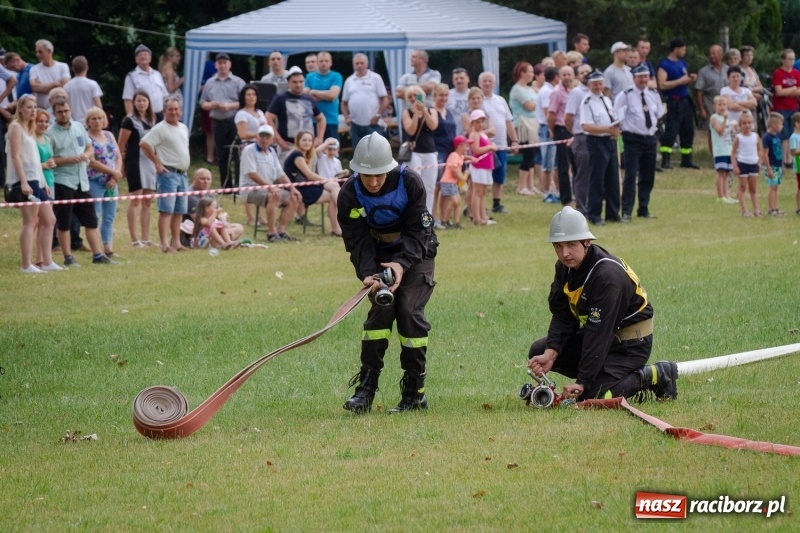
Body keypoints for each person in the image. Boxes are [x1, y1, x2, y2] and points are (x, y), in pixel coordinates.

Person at [527, 206, 677, 402]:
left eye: (571, 244)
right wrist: (551, 352)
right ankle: (604, 378)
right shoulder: (566, 268)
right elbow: (563, 315)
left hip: (630, 345)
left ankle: (654, 374)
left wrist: (583, 382)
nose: (565, 253)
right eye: (558, 246)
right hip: (601, 337)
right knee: (539, 350)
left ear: (587, 241)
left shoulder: (607, 278)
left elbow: (599, 334)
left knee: (590, 398)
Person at [338, 132, 438, 414]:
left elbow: (420, 230)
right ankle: (365, 390)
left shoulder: (410, 182)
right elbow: (356, 238)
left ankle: (414, 393)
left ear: (389, 167)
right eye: (366, 176)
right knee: (381, 313)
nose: (372, 182)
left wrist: (401, 264)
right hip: (378, 257)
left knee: (408, 311)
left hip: (416, 253)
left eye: (379, 175)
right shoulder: (349, 194)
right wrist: (368, 273)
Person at [48, 98, 113, 266]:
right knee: (65, 222)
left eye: (66, 111)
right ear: (54, 114)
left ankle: (98, 255)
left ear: (71, 111)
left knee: (91, 220)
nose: (64, 114)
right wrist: (67, 160)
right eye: (60, 112)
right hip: (63, 181)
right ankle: (68, 257)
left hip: (82, 181)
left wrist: (87, 155)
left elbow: (89, 147)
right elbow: (49, 160)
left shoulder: (78, 127)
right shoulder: (50, 133)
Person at [5, 94, 59, 273]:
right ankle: (26, 264)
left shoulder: (30, 128)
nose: (32, 111)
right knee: (30, 221)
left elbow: (34, 159)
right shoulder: (15, 127)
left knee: (49, 219)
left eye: (34, 107)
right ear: (20, 108)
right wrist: (23, 182)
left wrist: (43, 181)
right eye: (29, 107)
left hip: (36, 178)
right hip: (26, 178)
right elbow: (15, 156)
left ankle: (47, 261)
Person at [140, 96, 191, 252]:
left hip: (183, 174)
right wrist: (157, 163)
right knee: (166, 211)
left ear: (180, 111)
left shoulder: (183, 127)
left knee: (179, 211)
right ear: (164, 111)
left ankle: (176, 242)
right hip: (168, 174)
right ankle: (164, 244)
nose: (173, 112)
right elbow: (144, 143)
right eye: (170, 109)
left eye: (176, 109)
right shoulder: (160, 128)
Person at [614, 64, 664, 221]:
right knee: (630, 175)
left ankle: (644, 208)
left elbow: (659, 115)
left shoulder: (654, 94)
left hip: (649, 138)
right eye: (640, 77)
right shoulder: (625, 95)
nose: (643, 80)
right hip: (632, 139)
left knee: (648, 176)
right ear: (634, 78)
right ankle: (627, 210)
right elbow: (617, 116)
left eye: (645, 77)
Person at [239, 125, 300, 242]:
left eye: (267, 137)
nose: (264, 139)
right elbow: (252, 173)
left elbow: (280, 174)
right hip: (250, 189)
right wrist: (271, 187)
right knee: (274, 195)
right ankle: (271, 233)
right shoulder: (249, 150)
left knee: (294, 198)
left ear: (272, 139)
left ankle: (281, 231)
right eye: (261, 136)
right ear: (256, 137)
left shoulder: (272, 152)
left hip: (267, 189)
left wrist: (293, 189)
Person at [581, 70, 621, 225]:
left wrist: (615, 129)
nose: (598, 87)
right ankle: (594, 214)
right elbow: (586, 126)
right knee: (597, 179)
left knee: (613, 177)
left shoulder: (606, 99)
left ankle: (612, 212)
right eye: (595, 84)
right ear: (589, 85)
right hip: (596, 142)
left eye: (600, 83)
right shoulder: (587, 102)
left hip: (610, 140)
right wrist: (608, 130)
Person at [283, 130, 342, 236]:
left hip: (306, 185)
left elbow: (310, 175)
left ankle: (337, 228)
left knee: (334, 187)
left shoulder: (306, 155)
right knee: (332, 192)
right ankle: (342, 215)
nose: (307, 142)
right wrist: (328, 179)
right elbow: (310, 175)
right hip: (298, 189)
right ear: (298, 141)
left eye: (310, 140)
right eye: (304, 140)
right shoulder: (297, 155)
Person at [200, 53, 245, 189]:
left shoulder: (238, 82)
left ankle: (238, 185)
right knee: (221, 155)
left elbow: (245, 102)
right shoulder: (210, 82)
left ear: (229, 64)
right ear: (216, 65)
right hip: (217, 121)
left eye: (225, 62)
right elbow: (202, 102)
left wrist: (229, 106)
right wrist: (209, 105)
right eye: (219, 63)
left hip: (234, 121)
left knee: (237, 154)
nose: (222, 65)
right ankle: (226, 186)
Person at [118, 90, 157, 248]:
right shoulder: (129, 121)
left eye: (144, 100)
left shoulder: (154, 119)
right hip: (135, 161)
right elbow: (121, 145)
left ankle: (146, 238)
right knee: (135, 200)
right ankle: (134, 239)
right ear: (134, 103)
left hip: (151, 163)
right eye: (139, 101)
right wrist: (122, 166)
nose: (142, 103)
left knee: (148, 201)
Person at [478, 72, 519, 214]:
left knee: (499, 176)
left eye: (490, 81)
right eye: (484, 81)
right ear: (480, 83)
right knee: (482, 177)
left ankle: (497, 203)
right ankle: (479, 205)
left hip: (501, 145)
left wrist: (514, 140)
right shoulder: (477, 101)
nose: (487, 84)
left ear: (494, 84)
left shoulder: (501, 100)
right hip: (483, 147)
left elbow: (509, 121)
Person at [85, 106, 122, 258]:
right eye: (93, 118)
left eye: (99, 118)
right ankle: (97, 249)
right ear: (88, 121)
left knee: (109, 215)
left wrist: (115, 176)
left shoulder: (109, 135)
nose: (97, 121)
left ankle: (108, 247)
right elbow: (91, 162)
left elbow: (118, 156)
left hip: (112, 182)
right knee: (96, 215)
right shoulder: (87, 138)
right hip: (95, 180)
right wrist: (113, 172)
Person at [657, 38, 698, 170]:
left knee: (688, 130)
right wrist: (680, 81)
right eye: (683, 49)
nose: (685, 51)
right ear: (676, 49)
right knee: (672, 129)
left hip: (685, 99)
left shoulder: (683, 63)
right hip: (673, 101)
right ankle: (666, 159)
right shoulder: (664, 65)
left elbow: (684, 79)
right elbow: (662, 84)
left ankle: (686, 159)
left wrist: (690, 79)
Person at [267, 68, 325, 158]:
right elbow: (268, 117)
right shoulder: (280, 98)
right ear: (288, 82)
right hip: (288, 146)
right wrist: (278, 139)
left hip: (308, 146)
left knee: (309, 171)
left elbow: (321, 119)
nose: (298, 85)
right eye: (295, 82)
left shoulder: (309, 99)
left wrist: (319, 138)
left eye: (301, 82)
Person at [401, 84, 439, 216]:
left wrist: (424, 111)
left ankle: (427, 214)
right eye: (410, 96)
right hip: (414, 152)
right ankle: (414, 214)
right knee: (415, 184)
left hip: (429, 151)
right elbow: (410, 130)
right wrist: (416, 114)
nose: (413, 98)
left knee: (429, 185)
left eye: (415, 95)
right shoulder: (407, 112)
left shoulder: (431, 110)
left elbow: (433, 125)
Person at [341, 53, 389, 149]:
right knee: (358, 153)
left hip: (373, 123)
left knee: (376, 152)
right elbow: (343, 103)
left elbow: (384, 99)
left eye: (361, 63)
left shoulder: (376, 78)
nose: (359, 65)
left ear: (367, 64)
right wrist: (346, 117)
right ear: (353, 64)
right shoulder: (349, 80)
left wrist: (378, 115)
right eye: (357, 63)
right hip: (355, 124)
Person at [565, 63, 593, 215]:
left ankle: (592, 204)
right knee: (582, 174)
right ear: (577, 76)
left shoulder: (596, 91)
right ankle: (582, 208)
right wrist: (576, 133)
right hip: (582, 136)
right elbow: (568, 117)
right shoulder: (576, 93)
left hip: (595, 137)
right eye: (582, 72)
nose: (585, 74)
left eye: (588, 71)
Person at [187, 167, 244, 241]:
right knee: (215, 229)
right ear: (194, 180)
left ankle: (225, 239)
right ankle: (224, 240)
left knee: (239, 227)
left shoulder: (209, 193)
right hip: (199, 228)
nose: (206, 182)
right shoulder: (190, 196)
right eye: (202, 179)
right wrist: (218, 220)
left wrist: (226, 222)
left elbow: (219, 213)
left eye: (208, 179)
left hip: (215, 225)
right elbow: (199, 222)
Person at [509, 61, 540, 196]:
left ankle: (530, 185)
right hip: (523, 123)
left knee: (532, 154)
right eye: (530, 71)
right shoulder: (517, 89)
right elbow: (529, 106)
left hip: (533, 122)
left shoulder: (530, 89)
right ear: (523, 73)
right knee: (528, 154)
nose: (532, 74)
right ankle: (521, 186)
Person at [549, 65, 575, 206]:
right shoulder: (557, 92)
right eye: (564, 74)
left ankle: (577, 193)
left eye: (569, 74)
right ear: (559, 77)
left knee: (575, 164)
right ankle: (566, 198)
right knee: (563, 166)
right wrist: (554, 132)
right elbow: (551, 115)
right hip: (561, 130)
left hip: (572, 130)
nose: (567, 77)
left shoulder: (573, 92)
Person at [467, 109, 498, 226]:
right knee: (477, 191)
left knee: (483, 192)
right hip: (478, 166)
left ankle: (483, 216)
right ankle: (477, 217)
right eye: (477, 122)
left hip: (486, 166)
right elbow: (476, 150)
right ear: (472, 123)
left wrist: (491, 146)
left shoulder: (483, 133)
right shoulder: (474, 134)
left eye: (482, 122)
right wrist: (490, 148)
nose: (480, 125)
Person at [431, 83, 456, 224]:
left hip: (449, 152)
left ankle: (444, 217)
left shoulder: (449, 112)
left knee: (446, 184)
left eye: (446, 95)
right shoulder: (432, 111)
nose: (444, 98)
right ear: (435, 96)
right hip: (437, 151)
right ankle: (433, 216)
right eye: (441, 95)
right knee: (436, 186)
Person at [303, 51, 343, 141]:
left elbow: (333, 95)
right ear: (317, 62)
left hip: (331, 120)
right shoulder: (309, 77)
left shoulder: (336, 76)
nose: (324, 63)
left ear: (331, 62)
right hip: (313, 120)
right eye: (321, 61)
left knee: (331, 148)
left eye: (326, 61)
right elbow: (306, 98)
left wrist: (313, 91)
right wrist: (326, 95)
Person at [771, 49, 800, 168]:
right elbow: (778, 92)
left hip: (793, 106)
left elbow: (798, 91)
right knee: (784, 134)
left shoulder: (797, 73)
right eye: (789, 59)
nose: (791, 61)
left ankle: (791, 158)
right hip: (781, 107)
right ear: (783, 60)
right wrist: (792, 90)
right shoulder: (778, 73)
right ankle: (783, 159)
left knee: (793, 133)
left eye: (793, 59)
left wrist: (790, 91)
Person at [123, 44, 168, 117]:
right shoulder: (131, 76)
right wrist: (132, 119)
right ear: (136, 60)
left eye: (145, 54)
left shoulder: (157, 74)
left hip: (160, 115)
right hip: (142, 115)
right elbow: (128, 100)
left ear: (150, 58)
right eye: (140, 55)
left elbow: (165, 96)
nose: (143, 56)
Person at [731, 112, 762, 217]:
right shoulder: (738, 138)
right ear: (740, 125)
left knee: (753, 188)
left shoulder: (755, 136)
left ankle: (757, 209)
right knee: (742, 187)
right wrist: (735, 165)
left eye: (749, 123)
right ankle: (744, 209)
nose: (747, 125)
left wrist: (759, 162)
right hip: (742, 163)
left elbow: (759, 149)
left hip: (753, 163)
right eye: (744, 123)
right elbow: (733, 152)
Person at [439, 135, 472, 228]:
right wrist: (463, 176)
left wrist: (471, 158)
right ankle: (445, 220)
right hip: (447, 182)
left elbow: (463, 157)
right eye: (466, 146)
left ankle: (456, 222)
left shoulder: (459, 156)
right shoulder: (454, 155)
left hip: (453, 182)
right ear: (459, 146)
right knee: (455, 201)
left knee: (457, 202)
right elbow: (453, 169)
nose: (467, 148)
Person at [536, 67, 559, 202]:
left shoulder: (551, 90)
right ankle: (546, 193)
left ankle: (556, 191)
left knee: (555, 163)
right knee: (547, 163)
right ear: (555, 76)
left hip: (551, 127)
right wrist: (552, 128)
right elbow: (547, 111)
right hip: (546, 128)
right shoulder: (546, 92)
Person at [695, 44, 728, 138]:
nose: (711, 56)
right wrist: (701, 109)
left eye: (714, 53)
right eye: (710, 54)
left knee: (726, 127)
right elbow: (699, 91)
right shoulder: (703, 71)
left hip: (726, 103)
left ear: (721, 55)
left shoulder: (728, 69)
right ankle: (713, 152)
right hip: (710, 103)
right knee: (712, 129)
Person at [709, 96, 737, 203]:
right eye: (719, 105)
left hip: (728, 149)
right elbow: (720, 131)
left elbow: (729, 134)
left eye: (724, 105)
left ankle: (726, 195)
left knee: (726, 173)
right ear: (714, 106)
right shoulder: (714, 118)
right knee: (721, 172)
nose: (722, 107)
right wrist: (725, 120)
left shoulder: (728, 119)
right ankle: (720, 196)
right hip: (719, 150)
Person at [29, 39, 70, 109]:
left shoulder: (63, 66)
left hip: (59, 109)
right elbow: (34, 87)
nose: (37, 55)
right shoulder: (34, 69)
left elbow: (65, 85)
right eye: (36, 52)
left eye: (40, 52)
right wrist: (55, 84)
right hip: (41, 110)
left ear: (49, 51)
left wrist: (43, 87)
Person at [63, 56, 103, 124]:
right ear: (87, 67)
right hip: (90, 122)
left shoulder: (66, 86)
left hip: (73, 123)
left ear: (73, 68)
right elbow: (98, 105)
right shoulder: (92, 84)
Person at [762, 112, 785, 216]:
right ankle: (771, 209)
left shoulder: (778, 135)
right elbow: (765, 154)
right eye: (780, 124)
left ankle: (775, 207)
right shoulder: (767, 137)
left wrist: (782, 165)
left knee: (776, 187)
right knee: (772, 187)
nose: (782, 126)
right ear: (773, 124)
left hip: (778, 164)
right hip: (771, 166)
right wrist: (768, 169)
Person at [447, 68, 471, 137]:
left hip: (471, 137)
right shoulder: (447, 95)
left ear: (468, 79)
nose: (459, 81)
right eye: (456, 79)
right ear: (453, 81)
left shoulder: (474, 94)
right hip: (452, 136)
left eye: (461, 78)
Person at [789, 112, 800, 216]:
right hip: (799, 164)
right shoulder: (794, 137)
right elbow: (792, 152)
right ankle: (799, 207)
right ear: (797, 123)